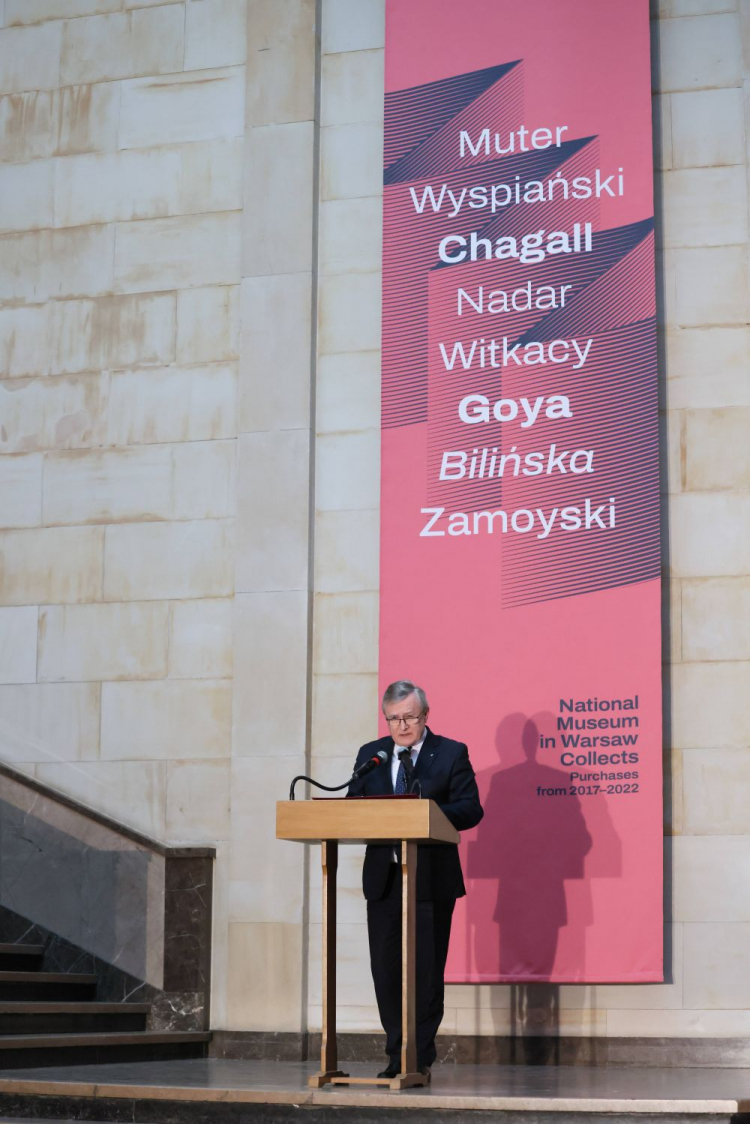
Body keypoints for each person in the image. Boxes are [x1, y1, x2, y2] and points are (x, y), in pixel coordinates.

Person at [348, 680, 483, 1080]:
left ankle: (419, 1057)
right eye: (394, 718)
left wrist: (427, 814)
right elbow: (353, 806)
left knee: (425, 972)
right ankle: (395, 1054)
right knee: (385, 969)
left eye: (409, 716)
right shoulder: (371, 755)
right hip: (385, 879)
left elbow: (471, 808)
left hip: (431, 882)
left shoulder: (451, 753)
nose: (402, 725)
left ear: (425, 715)